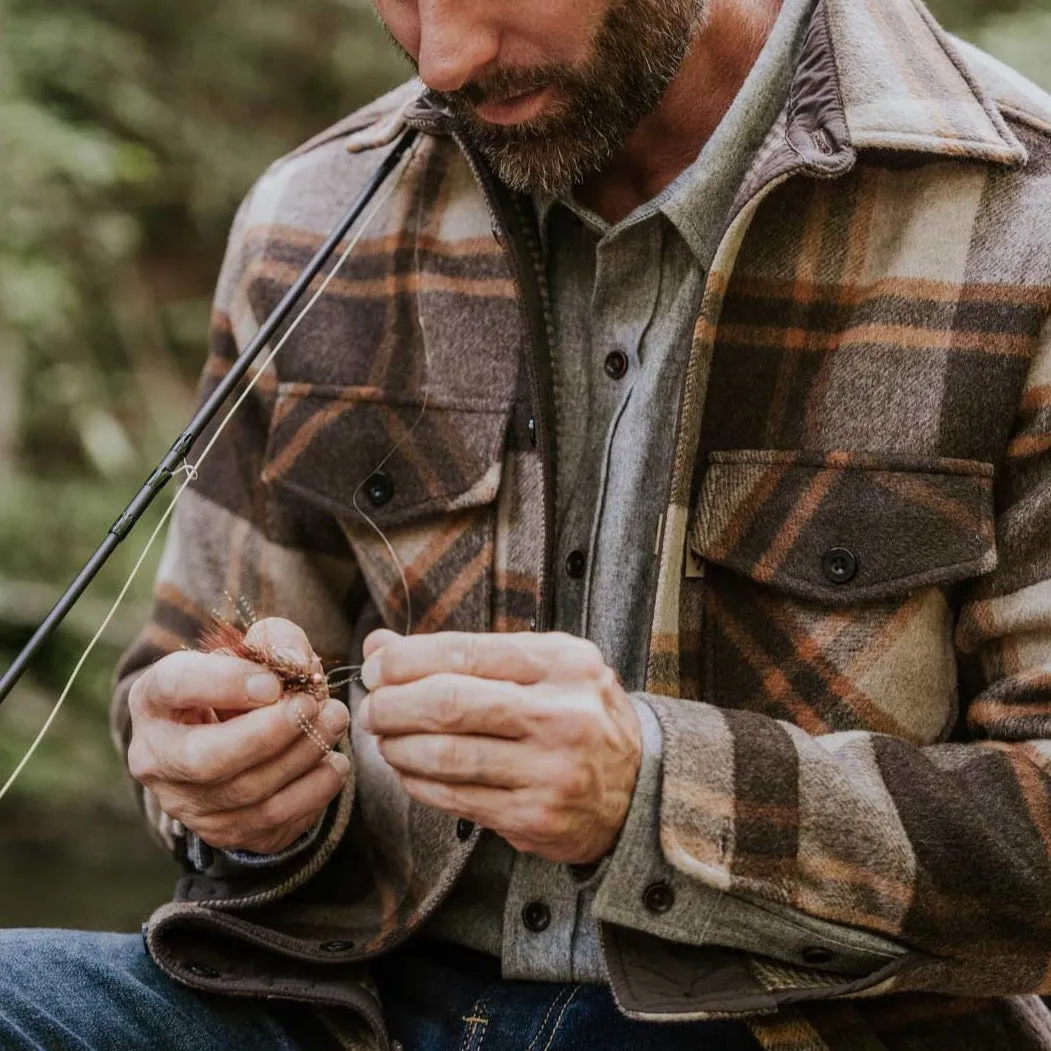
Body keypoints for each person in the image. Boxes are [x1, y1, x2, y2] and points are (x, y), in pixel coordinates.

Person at [3, 0, 1051, 1047]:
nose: (443, 60)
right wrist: (225, 791)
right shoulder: (309, 212)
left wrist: (652, 792)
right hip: (340, 1005)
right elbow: (179, 687)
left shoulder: (1025, 220)